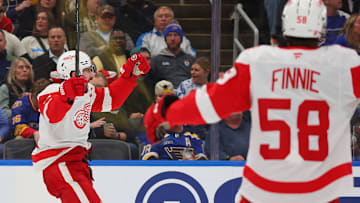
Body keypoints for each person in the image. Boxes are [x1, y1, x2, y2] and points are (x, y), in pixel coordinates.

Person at [146, 0, 360, 202]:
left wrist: (163, 111)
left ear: (284, 26)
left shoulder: (258, 61)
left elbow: (208, 102)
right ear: (322, 28)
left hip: (264, 188)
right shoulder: (344, 63)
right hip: (321, 190)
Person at [31, 50, 150, 202]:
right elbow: (52, 115)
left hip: (77, 163)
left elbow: (112, 99)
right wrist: (67, 95)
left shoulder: (87, 91)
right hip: (59, 163)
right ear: (73, 72)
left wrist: (130, 76)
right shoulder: (51, 91)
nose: (93, 75)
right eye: (88, 70)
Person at [145, 22, 195, 93]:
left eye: (176, 35)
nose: (172, 38)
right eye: (169, 35)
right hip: (165, 95)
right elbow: (149, 81)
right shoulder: (157, 60)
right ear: (165, 39)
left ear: (181, 38)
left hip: (187, 96)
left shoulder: (190, 59)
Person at [141, 124, 207, 160]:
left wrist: (192, 162)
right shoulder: (155, 136)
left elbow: (203, 160)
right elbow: (148, 160)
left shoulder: (193, 137)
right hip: (164, 175)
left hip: (189, 174)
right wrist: (176, 164)